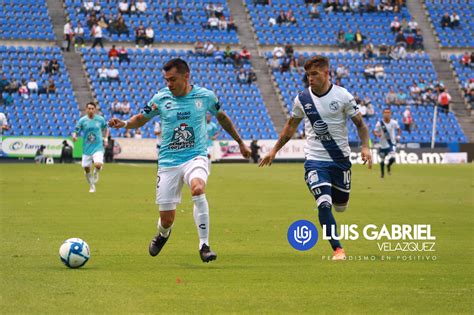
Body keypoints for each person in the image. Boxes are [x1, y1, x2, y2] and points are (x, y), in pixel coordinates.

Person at [108, 58, 251, 263]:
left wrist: (240, 142)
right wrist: (123, 123)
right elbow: (141, 117)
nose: (169, 84)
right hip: (168, 163)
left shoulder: (205, 96)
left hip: (196, 157)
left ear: (186, 76)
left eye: (173, 79)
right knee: (167, 220)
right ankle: (163, 234)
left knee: (198, 188)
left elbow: (222, 118)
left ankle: (204, 245)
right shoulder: (161, 98)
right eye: (166, 80)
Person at [259, 56, 372, 261]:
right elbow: (290, 128)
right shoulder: (302, 99)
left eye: (314, 74)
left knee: (341, 206)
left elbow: (361, 125)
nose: (310, 78)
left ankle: (337, 215)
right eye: (308, 75)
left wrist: (365, 147)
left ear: (327, 73)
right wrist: (274, 150)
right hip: (315, 160)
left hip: (340, 160)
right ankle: (338, 249)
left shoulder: (343, 96)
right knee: (324, 203)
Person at [72, 102, 109, 193]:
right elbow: (76, 130)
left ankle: (96, 172)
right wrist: (75, 136)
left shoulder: (100, 119)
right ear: (86, 109)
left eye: (92, 108)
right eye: (89, 108)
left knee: (98, 164)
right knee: (86, 169)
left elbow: (106, 128)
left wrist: (106, 138)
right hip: (87, 148)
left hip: (98, 146)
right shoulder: (82, 120)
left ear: (95, 109)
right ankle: (92, 186)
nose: (91, 110)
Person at [373, 108, 400, 178]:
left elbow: (399, 129)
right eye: (385, 112)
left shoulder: (394, 122)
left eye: (388, 112)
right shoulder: (379, 123)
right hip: (382, 145)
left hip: (391, 144)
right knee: (382, 161)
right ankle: (382, 175)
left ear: (390, 114)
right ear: (383, 114)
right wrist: (377, 134)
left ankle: (388, 166)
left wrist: (398, 136)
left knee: (393, 158)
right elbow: (375, 131)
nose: (387, 114)